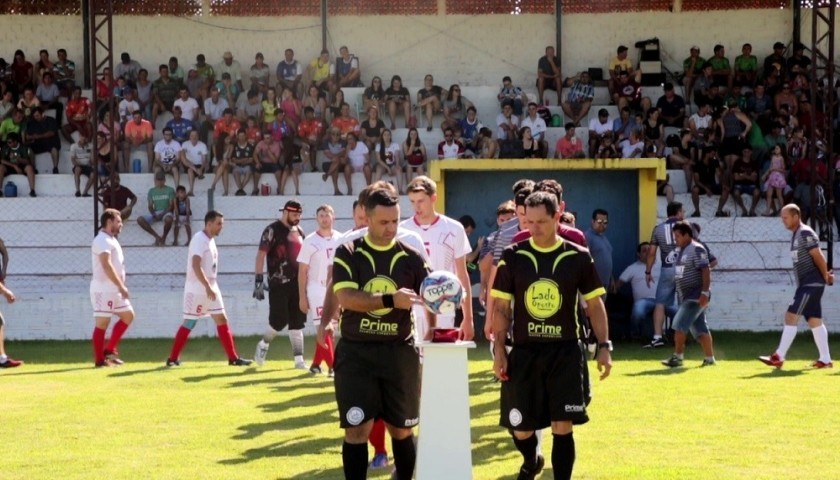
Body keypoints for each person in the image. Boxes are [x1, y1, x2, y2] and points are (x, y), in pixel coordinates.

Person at [491, 190, 612, 480]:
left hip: (565, 352)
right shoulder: (513, 255)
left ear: (557, 217)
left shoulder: (578, 257)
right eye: (528, 222)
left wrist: (604, 346)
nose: (533, 228)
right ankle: (532, 459)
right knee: (520, 427)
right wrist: (498, 350)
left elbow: (595, 305)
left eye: (541, 222)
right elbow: (502, 308)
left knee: (562, 424)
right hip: (524, 352)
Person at [327, 187, 429, 480]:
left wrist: (446, 297)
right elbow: (346, 297)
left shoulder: (411, 257)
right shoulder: (348, 252)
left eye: (395, 221)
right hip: (356, 355)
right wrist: (389, 299)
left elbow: (432, 290)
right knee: (357, 429)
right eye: (384, 222)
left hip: (399, 353)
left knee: (402, 428)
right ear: (367, 218)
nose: (391, 228)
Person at [166, 211, 252, 367]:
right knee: (190, 322)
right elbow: (195, 265)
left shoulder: (210, 240)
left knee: (221, 319)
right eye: (219, 224)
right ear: (209, 223)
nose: (221, 227)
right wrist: (206, 286)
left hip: (211, 287)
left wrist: (211, 286)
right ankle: (172, 359)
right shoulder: (199, 239)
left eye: (222, 224)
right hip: (198, 288)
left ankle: (233, 358)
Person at [759, 204, 834, 369]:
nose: (783, 221)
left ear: (796, 216)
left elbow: (818, 255)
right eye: (782, 218)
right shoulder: (796, 234)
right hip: (807, 284)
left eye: (785, 217)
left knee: (790, 316)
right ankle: (826, 360)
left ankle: (778, 356)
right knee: (815, 321)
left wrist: (825, 276)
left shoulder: (805, 232)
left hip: (811, 283)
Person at [401, 176, 474, 341]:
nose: (416, 206)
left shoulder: (454, 228)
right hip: (412, 307)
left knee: (441, 360)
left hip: (444, 305)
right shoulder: (402, 231)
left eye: (421, 201)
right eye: (412, 201)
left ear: (434, 198)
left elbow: (462, 275)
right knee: (414, 363)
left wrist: (468, 318)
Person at [253, 201, 307, 368]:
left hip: (297, 283)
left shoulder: (300, 231)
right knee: (279, 320)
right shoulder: (272, 230)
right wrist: (258, 280)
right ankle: (263, 344)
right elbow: (261, 255)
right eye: (294, 214)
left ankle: (299, 361)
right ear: (285, 212)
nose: (297, 218)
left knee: (297, 322)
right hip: (278, 283)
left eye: (299, 215)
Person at [661, 221, 716, 367]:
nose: (675, 239)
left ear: (687, 235)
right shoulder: (682, 250)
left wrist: (704, 293)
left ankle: (677, 358)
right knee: (700, 328)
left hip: (695, 296)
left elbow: (706, 270)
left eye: (678, 236)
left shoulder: (697, 249)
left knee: (679, 325)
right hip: (687, 296)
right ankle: (710, 359)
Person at [297, 204, 340, 376]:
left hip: (335, 288)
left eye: (327, 214)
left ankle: (315, 364)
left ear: (333, 217)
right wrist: (302, 296)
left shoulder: (341, 238)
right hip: (316, 287)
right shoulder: (309, 240)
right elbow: (302, 270)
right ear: (317, 219)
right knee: (324, 327)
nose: (324, 218)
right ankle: (333, 367)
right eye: (321, 215)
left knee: (332, 329)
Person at [90, 209, 135, 367]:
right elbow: (106, 264)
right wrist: (121, 285)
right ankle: (99, 361)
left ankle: (109, 350)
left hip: (114, 289)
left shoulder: (112, 239)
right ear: (109, 222)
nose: (121, 224)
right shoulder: (102, 239)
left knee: (128, 316)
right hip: (103, 288)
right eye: (118, 221)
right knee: (102, 323)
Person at [644, 201, 684, 348]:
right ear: (678, 212)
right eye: (682, 212)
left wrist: (648, 271)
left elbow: (652, 253)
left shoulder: (658, 229)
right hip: (684, 269)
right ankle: (681, 336)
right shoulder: (686, 226)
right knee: (684, 304)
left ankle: (657, 337)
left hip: (667, 269)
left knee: (660, 303)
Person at [137, 171, 175, 246]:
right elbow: (150, 205)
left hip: (166, 211)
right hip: (156, 212)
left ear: (164, 180)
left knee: (169, 219)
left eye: (161, 180)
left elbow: (171, 206)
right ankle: (156, 236)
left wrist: (162, 214)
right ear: (155, 180)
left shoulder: (170, 190)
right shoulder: (151, 191)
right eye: (158, 180)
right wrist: (154, 214)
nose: (160, 182)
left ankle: (164, 237)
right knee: (140, 219)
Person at [585, 209, 614, 294]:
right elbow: (584, 261)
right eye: (599, 221)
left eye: (605, 222)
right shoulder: (587, 237)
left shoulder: (604, 238)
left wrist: (611, 278)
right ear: (593, 221)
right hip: (593, 286)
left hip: (604, 284)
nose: (602, 224)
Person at [0, 132, 37, 197]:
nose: (8, 144)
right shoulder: (6, 147)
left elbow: (28, 162)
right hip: (10, 166)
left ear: (15, 141)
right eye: (8, 142)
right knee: (1, 167)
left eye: (10, 142)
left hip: (22, 166)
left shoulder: (23, 148)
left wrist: (18, 159)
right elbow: (2, 160)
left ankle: (32, 190)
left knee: (29, 168)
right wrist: (14, 166)